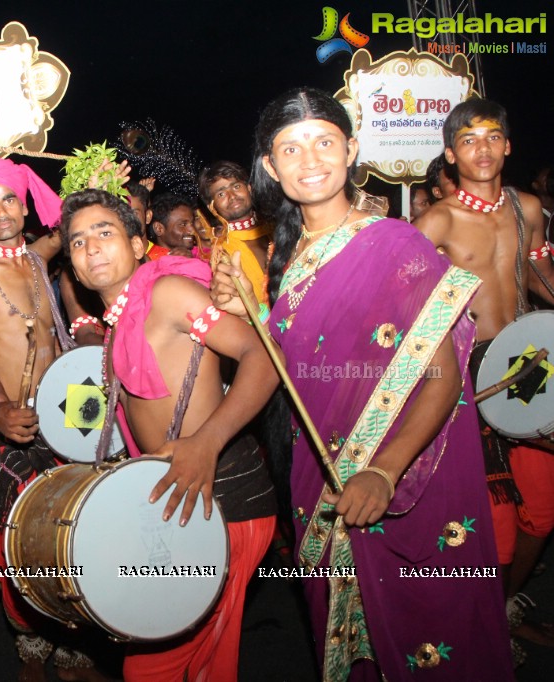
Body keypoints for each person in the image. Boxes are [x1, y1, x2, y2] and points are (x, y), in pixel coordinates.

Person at [214, 87, 512, 680]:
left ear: (351, 149)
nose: (310, 160)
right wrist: (248, 309)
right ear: (271, 168)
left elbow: (441, 377)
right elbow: (292, 364)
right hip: (318, 473)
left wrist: (384, 468)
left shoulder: (395, 243)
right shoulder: (289, 254)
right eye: (290, 150)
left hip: (399, 478)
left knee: (427, 633)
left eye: (324, 142)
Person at [61, 188, 277, 681]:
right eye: (77, 242)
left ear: (139, 245)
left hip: (224, 495)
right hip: (177, 501)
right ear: (72, 268)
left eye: (105, 232)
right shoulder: (117, 324)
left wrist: (207, 442)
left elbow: (264, 356)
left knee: (160, 667)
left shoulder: (167, 294)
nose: (91, 247)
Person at [0, 158, 104, 681]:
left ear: (24, 205)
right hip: (17, 430)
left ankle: (73, 650)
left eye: (10, 198)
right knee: (18, 553)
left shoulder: (36, 258)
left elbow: (69, 222)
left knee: (76, 538)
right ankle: (30, 650)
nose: (0, 211)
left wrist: (97, 182)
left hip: (69, 420)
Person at [415, 98, 554, 660]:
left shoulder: (528, 206)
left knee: (542, 511)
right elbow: (401, 307)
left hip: (528, 360)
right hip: (470, 374)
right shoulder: (437, 220)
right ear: (451, 154)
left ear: (508, 145)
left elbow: (541, 274)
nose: (482, 149)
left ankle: (505, 599)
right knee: (488, 520)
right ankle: (481, 619)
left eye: (492, 136)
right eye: (468, 140)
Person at [198, 161, 272, 303]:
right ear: (212, 208)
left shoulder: (279, 230)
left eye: (236, 186)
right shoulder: (222, 254)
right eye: (221, 194)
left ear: (249, 188)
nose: (232, 196)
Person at [146, 193, 195, 261]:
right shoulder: (149, 262)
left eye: (192, 223)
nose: (193, 230)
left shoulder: (198, 253)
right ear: (159, 228)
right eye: (183, 224)